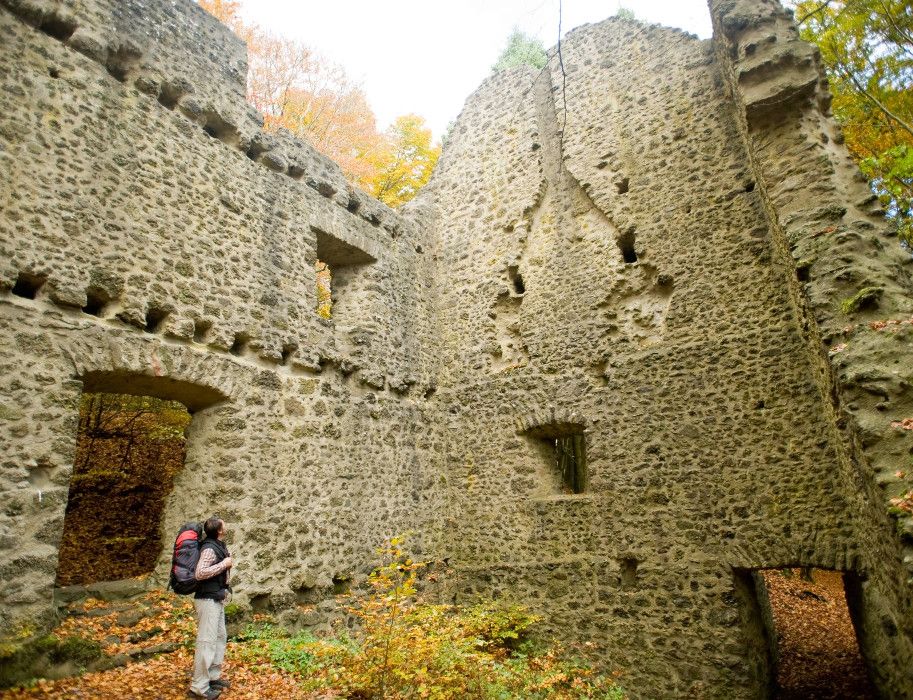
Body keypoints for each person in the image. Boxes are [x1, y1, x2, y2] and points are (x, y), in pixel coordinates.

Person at [189, 517, 233, 699]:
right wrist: (224, 564)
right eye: (224, 524)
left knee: (219, 637)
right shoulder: (209, 548)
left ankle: (212, 677)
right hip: (207, 600)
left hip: (216, 598)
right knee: (206, 641)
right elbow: (200, 573)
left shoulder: (217, 544)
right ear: (220, 530)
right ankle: (199, 687)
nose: (226, 525)